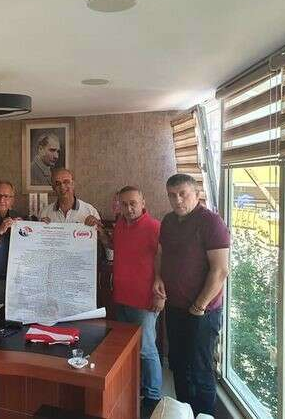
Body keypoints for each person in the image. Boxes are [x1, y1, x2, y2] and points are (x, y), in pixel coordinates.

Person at [154, 174, 230, 416]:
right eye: (172, 195)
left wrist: (199, 306)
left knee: (200, 370)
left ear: (196, 194)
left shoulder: (211, 222)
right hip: (174, 307)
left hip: (202, 313)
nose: (177, 200)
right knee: (178, 365)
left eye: (182, 194)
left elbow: (220, 270)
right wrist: (158, 277)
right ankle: (183, 412)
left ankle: (203, 415)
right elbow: (161, 254)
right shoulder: (168, 221)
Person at [91, 186, 163, 417]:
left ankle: (153, 397)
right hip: (121, 297)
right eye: (124, 204)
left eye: (133, 203)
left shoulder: (155, 227)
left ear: (143, 202)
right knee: (128, 349)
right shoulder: (121, 224)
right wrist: (101, 232)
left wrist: (161, 294)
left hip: (144, 300)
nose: (129, 208)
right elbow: (114, 245)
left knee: (146, 349)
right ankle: (139, 388)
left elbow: (165, 261)